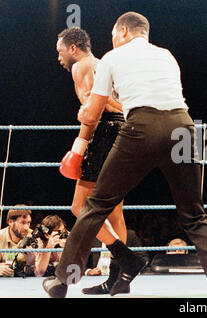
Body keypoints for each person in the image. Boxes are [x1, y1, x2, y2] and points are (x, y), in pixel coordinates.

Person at [43, 12, 207, 298]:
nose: (111, 40)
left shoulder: (111, 57)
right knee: (195, 215)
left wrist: (83, 115)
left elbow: (94, 111)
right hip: (182, 127)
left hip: (140, 128)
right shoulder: (167, 55)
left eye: (113, 34)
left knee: (95, 206)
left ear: (123, 31)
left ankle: (61, 283)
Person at [56, 26, 128, 293]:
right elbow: (113, 102)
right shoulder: (102, 64)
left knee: (79, 206)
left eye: (60, 51)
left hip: (104, 132)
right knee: (115, 211)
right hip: (122, 130)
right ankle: (121, 280)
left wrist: (79, 147)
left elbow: (92, 114)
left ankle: (126, 258)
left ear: (73, 48)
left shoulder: (81, 66)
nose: (59, 57)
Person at [82, 229, 150, 294]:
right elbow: (81, 259)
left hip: (123, 276)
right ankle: (114, 280)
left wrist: (131, 271)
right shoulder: (96, 236)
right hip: (96, 277)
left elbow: (143, 257)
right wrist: (88, 271)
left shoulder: (129, 235)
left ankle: (115, 279)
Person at [0, 206, 32, 276]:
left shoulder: (33, 237)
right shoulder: (0, 236)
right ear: (10, 222)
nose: (27, 227)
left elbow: (39, 272)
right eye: (23, 223)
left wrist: (30, 263)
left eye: (28, 222)